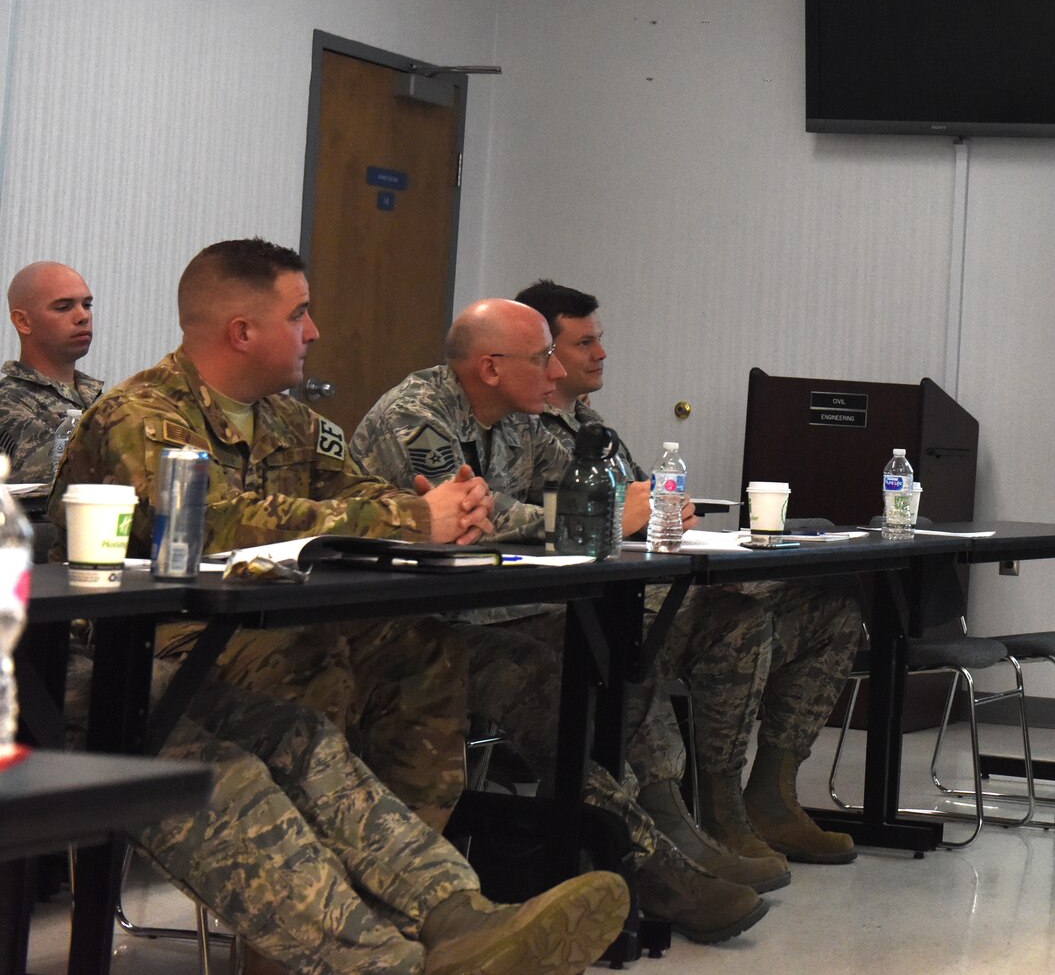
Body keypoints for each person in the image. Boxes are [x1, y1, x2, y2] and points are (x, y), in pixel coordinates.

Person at [351, 298, 768, 943]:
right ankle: (652, 872)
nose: (556, 369)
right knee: (547, 685)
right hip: (415, 626)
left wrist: (644, 503)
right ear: (491, 368)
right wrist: (604, 515)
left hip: (497, 607)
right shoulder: (417, 418)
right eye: (542, 355)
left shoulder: (522, 423)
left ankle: (657, 828)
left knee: (619, 653)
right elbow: (472, 519)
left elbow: (591, 490)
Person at [51, 239, 494, 829]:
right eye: (297, 315)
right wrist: (414, 520)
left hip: (260, 616)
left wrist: (446, 510)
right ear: (242, 332)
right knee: (308, 656)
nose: (313, 332)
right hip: (147, 636)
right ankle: (320, 894)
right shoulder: (142, 415)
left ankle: (410, 873)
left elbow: (356, 492)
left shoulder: (289, 418)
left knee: (425, 648)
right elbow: (209, 524)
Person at [514, 279, 865, 876]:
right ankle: (716, 813)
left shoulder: (591, 424)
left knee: (835, 610)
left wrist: (670, 510)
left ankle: (771, 796)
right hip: (580, 613)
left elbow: (651, 502)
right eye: (584, 343)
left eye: (600, 340)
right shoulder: (523, 429)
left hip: (646, 589)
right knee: (738, 620)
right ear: (545, 350)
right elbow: (553, 526)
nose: (601, 354)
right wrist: (633, 513)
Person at [99, 669, 628, 975]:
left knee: (297, 736)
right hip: (39, 676)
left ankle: (457, 919)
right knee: (209, 774)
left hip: (104, 649)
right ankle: (379, 963)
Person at [0, 260, 102, 482]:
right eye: (63, 307)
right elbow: (59, 480)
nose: (83, 316)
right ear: (23, 321)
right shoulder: (8, 403)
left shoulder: (100, 399)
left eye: (87, 305)